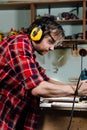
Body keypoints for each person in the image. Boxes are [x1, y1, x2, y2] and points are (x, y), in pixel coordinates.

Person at [0, 16, 86, 130]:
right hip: (3, 113)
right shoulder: (19, 44)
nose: (52, 48)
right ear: (36, 33)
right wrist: (75, 91)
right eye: (50, 42)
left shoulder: (28, 51)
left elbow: (45, 79)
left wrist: (77, 87)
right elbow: (37, 88)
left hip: (15, 114)